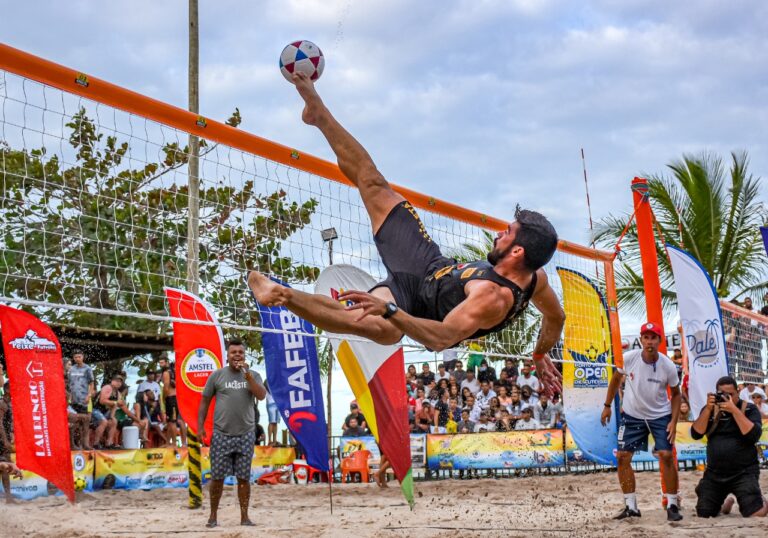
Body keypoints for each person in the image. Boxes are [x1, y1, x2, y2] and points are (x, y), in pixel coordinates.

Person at [247, 72, 565, 395]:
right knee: (372, 182)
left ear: (517, 252)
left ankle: (281, 295)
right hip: (429, 264)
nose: (499, 233)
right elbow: (556, 316)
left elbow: (440, 338)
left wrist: (391, 310)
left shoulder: (493, 298)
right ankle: (316, 110)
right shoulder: (537, 278)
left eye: (508, 233)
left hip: (413, 306)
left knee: (367, 321)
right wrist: (540, 353)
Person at [601, 322, 683, 522]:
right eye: (646, 337)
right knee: (622, 457)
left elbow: (677, 395)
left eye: (653, 337)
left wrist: (674, 421)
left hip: (660, 415)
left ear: (659, 341)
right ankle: (631, 507)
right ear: (641, 340)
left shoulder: (668, 365)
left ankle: (672, 504)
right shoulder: (629, 359)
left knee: (665, 455)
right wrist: (607, 405)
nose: (649, 341)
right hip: (632, 415)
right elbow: (615, 381)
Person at [198, 338, 267, 528]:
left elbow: (261, 395)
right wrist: (200, 426)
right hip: (221, 434)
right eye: (233, 352)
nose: (237, 355)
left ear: (244, 356)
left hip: (246, 433)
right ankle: (213, 517)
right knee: (217, 478)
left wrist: (248, 377)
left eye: (240, 353)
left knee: (244, 478)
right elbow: (204, 401)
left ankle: (245, 517)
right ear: (227, 356)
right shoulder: (217, 376)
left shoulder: (253, 374)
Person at [691, 376, 768, 518]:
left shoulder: (749, 409)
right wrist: (708, 409)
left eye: (731, 394)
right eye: (723, 394)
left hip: (744, 472)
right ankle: (726, 501)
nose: (727, 398)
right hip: (715, 473)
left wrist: (734, 410)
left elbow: (753, 435)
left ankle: (761, 500)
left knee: (756, 513)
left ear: (738, 392)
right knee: (704, 513)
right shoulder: (710, 410)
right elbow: (696, 433)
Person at [0, 384, 14, 504]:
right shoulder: (2, 403)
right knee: (5, 466)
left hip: (5, 438)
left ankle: (8, 496)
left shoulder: (8, 403)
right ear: (8, 390)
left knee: (7, 467)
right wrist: (5, 440)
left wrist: (11, 435)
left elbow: (8, 424)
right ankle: (8, 497)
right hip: (1, 440)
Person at [264, 381, 280, 445]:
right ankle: (269, 440)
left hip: (278, 403)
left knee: (276, 422)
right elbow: (270, 391)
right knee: (271, 422)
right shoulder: (267, 381)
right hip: (270, 403)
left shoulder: (276, 381)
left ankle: (274, 440)